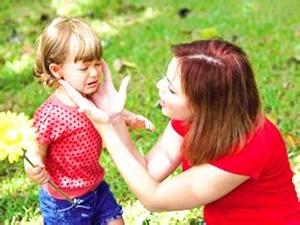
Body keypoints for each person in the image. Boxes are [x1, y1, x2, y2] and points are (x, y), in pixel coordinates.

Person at [59, 39, 300, 225]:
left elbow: (154, 199)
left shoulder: (252, 144)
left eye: (171, 89)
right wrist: (113, 118)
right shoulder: (198, 118)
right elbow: (149, 173)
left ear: (204, 104)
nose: (159, 86)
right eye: (165, 78)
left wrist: (105, 129)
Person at [24, 16, 154, 225]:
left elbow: (109, 111)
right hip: (64, 202)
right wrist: (33, 166)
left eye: (97, 64)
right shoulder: (50, 114)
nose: (94, 73)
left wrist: (130, 118)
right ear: (57, 70)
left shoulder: (92, 96)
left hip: (96, 187)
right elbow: (35, 148)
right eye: (84, 68)